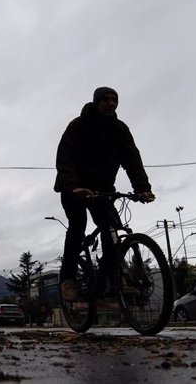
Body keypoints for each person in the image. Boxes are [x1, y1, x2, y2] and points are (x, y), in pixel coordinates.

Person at [54, 86, 154, 301]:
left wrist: (142, 188)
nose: (111, 103)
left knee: (112, 231)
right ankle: (68, 279)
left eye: (114, 100)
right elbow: (64, 158)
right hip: (73, 186)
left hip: (102, 189)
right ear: (96, 102)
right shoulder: (78, 126)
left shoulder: (120, 129)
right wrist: (74, 186)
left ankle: (105, 284)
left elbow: (132, 160)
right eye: (106, 99)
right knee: (77, 226)